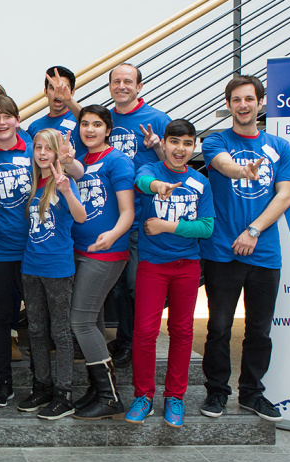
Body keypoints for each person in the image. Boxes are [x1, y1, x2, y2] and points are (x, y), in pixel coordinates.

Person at [199, 75, 290, 422]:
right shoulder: (215, 141)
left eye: (249, 99)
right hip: (221, 252)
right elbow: (223, 165)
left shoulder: (279, 146)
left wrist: (254, 230)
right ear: (228, 105)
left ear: (260, 103)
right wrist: (242, 169)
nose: (243, 105)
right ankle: (216, 393)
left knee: (259, 329)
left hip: (264, 251)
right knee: (219, 327)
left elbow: (284, 195)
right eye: (236, 100)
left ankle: (252, 394)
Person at [125, 119, 215, 428]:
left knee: (182, 331)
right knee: (145, 332)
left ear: (194, 147)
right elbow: (141, 182)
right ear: (164, 143)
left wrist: (167, 226)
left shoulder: (200, 182)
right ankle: (143, 396)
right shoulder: (150, 169)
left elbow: (206, 226)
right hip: (152, 265)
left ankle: (175, 397)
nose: (180, 149)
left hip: (187, 266)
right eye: (174, 142)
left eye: (187, 143)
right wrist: (159, 187)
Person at [64, 106, 136, 421]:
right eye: (85, 124)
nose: (89, 130)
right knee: (91, 321)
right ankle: (97, 390)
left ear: (108, 129)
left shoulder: (117, 161)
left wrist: (113, 234)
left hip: (105, 253)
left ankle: (109, 397)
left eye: (96, 125)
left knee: (80, 322)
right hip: (79, 249)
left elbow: (128, 211)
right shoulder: (82, 160)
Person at [10, 130, 88, 420]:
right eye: (38, 147)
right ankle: (41, 385)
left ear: (57, 153)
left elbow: (80, 217)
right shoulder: (34, 184)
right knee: (37, 331)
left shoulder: (63, 182)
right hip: (31, 267)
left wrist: (67, 189)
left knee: (60, 332)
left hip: (58, 270)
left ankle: (64, 393)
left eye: (48, 148)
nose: (42, 153)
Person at [105, 63, 171, 369]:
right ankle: (124, 338)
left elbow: (175, 164)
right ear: (109, 87)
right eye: (116, 81)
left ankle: (132, 342)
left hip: (142, 219)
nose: (121, 86)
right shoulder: (107, 120)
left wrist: (157, 148)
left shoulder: (157, 120)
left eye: (127, 81)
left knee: (133, 285)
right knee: (117, 286)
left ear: (139, 87)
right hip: (109, 218)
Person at [0, 95, 33, 409]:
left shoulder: (31, 148)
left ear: (16, 119)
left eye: (7, 116)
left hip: (32, 249)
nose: (1, 123)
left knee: (38, 320)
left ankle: (42, 381)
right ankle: (3, 382)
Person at [25, 66, 82, 140]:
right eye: (52, 88)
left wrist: (69, 100)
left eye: (63, 88)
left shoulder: (79, 119)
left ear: (72, 93)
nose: (58, 92)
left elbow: (90, 121)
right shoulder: (35, 127)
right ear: (45, 92)